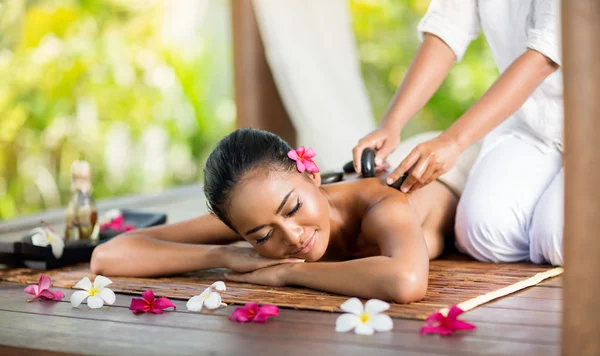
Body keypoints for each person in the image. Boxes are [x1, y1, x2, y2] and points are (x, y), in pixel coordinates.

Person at [91, 128, 465, 303]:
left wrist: (291, 272)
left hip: (461, 168)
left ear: (312, 174)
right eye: (261, 237)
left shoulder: (382, 205)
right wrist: (223, 255)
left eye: (294, 208)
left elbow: (406, 281)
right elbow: (108, 256)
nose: (291, 236)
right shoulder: (258, 216)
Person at [352, 0, 563, 266]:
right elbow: (445, 30)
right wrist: (391, 125)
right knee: (482, 234)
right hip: (533, 125)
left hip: (589, 127)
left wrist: (453, 142)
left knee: (558, 238)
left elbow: (544, 57)